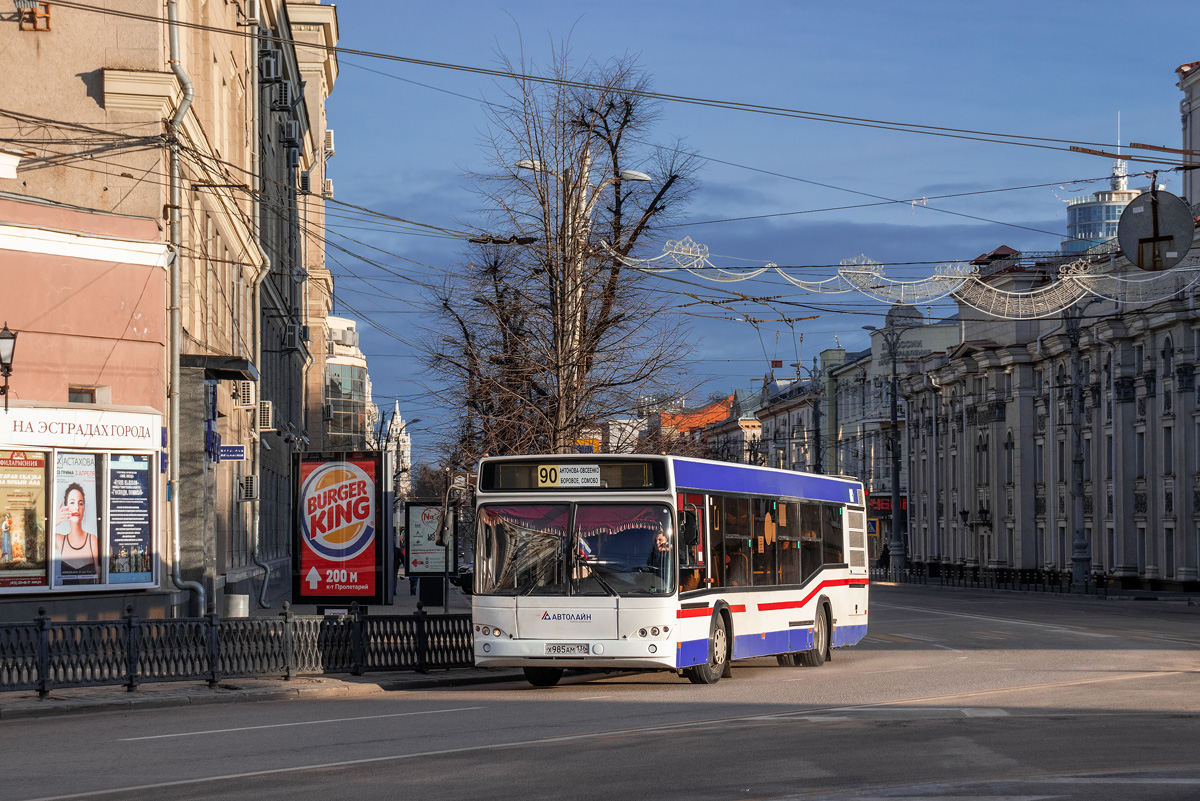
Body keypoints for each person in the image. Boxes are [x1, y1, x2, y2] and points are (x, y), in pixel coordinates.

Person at [55, 483, 99, 585]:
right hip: (66, 596)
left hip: (89, 596)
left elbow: (98, 575)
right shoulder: (59, 540)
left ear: (84, 507)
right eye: (72, 502)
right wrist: (54, 521)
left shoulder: (92, 539)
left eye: (80, 503)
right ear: (65, 507)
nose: (76, 508)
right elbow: (39, 540)